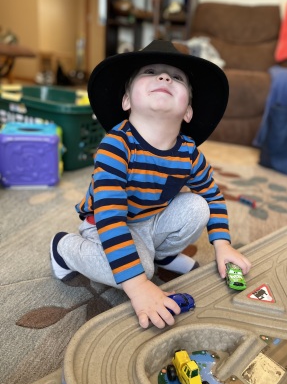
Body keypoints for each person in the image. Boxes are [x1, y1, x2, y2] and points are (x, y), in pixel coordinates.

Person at [50, 40, 251, 329]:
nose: (165, 77)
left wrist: (223, 245)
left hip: (149, 220)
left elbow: (213, 195)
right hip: (105, 223)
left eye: (177, 77)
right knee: (139, 270)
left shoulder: (189, 152)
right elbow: (110, 216)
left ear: (188, 112)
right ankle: (63, 247)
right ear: (127, 101)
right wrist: (138, 286)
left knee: (197, 206)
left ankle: (164, 254)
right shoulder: (116, 145)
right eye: (151, 71)